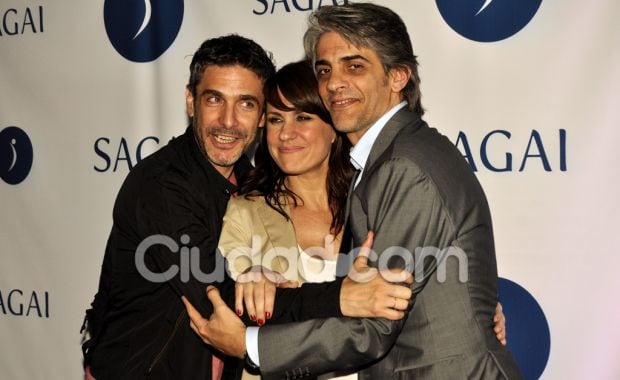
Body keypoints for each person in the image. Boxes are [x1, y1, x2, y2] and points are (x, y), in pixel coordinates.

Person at [182, 3, 521, 379]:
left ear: (398, 76)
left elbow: (376, 325)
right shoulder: (386, 162)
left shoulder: (403, 167)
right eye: (324, 70)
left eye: (354, 66)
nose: (333, 83)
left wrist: (250, 345)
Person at [81, 34, 413, 380]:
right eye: (214, 100)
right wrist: (342, 297)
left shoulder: (250, 183)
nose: (227, 121)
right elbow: (221, 299)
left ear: (258, 116)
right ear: (191, 101)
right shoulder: (163, 185)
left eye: (246, 104)